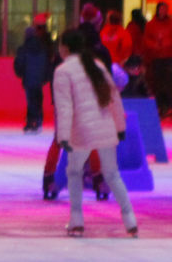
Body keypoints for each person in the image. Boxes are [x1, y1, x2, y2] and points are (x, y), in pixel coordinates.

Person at [54, 30, 137, 238]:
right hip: (105, 127)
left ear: (65, 48)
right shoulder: (97, 66)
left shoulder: (63, 71)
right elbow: (114, 99)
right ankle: (130, 220)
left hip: (81, 130)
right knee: (112, 174)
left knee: (74, 172)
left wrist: (63, 136)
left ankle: (76, 221)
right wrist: (120, 127)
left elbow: (64, 107)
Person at [140, 0, 172, 118]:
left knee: (168, 82)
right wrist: (154, 45)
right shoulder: (150, 24)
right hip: (156, 57)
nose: (163, 11)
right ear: (157, 10)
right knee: (157, 83)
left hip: (169, 57)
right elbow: (146, 39)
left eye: (165, 9)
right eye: (161, 9)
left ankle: (170, 106)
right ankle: (159, 106)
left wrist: (167, 43)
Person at [12, 22, 52, 133]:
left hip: (29, 79)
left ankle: (31, 122)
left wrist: (20, 73)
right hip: (39, 79)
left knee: (31, 101)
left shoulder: (24, 48)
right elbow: (47, 63)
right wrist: (46, 77)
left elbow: (19, 63)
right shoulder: (42, 47)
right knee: (38, 99)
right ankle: (37, 122)